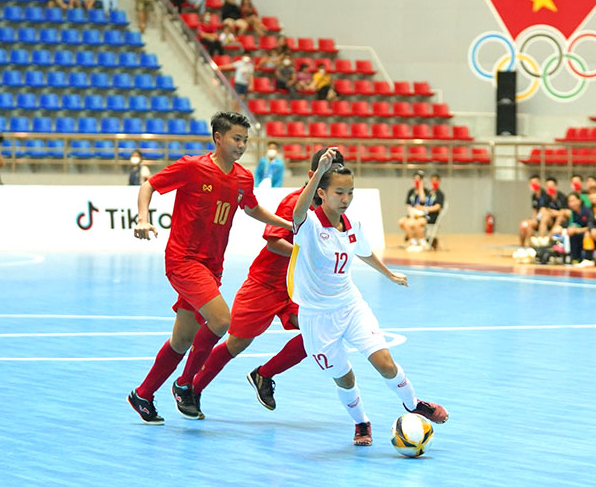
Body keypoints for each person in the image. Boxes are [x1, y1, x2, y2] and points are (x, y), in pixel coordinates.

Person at [127, 112, 293, 424]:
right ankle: (185, 384)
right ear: (218, 137)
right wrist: (142, 217)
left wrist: (287, 224)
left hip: (212, 265)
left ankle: (143, 394)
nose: (242, 145)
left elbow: (253, 208)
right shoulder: (193, 167)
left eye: (245, 140)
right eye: (236, 138)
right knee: (220, 319)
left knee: (182, 340)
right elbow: (149, 184)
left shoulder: (244, 177)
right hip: (184, 260)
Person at [291, 148, 449, 446]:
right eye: (339, 192)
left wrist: (388, 274)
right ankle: (362, 423)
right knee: (344, 377)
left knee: (386, 363)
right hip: (316, 317)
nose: (346, 199)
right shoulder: (310, 225)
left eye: (350, 192)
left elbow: (364, 251)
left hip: (351, 307)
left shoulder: (353, 226)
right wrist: (319, 171)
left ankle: (414, 403)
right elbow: (297, 213)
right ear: (321, 193)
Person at [183, 156, 323, 416]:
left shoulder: (329, 209)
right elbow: (273, 242)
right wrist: (304, 255)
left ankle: (264, 374)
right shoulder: (294, 202)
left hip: (295, 288)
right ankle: (193, 388)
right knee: (236, 344)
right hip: (265, 284)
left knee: (317, 334)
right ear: (314, 173)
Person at [558, 192, 596, 264]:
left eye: (574, 200)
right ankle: (574, 258)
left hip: (591, 233)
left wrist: (577, 230)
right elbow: (574, 224)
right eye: (570, 201)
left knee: (583, 234)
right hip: (579, 233)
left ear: (579, 201)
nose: (572, 203)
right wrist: (571, 229)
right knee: (572, 234)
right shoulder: (573, 213)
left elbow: (592, 226)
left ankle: (588, 259)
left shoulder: (587, 211)